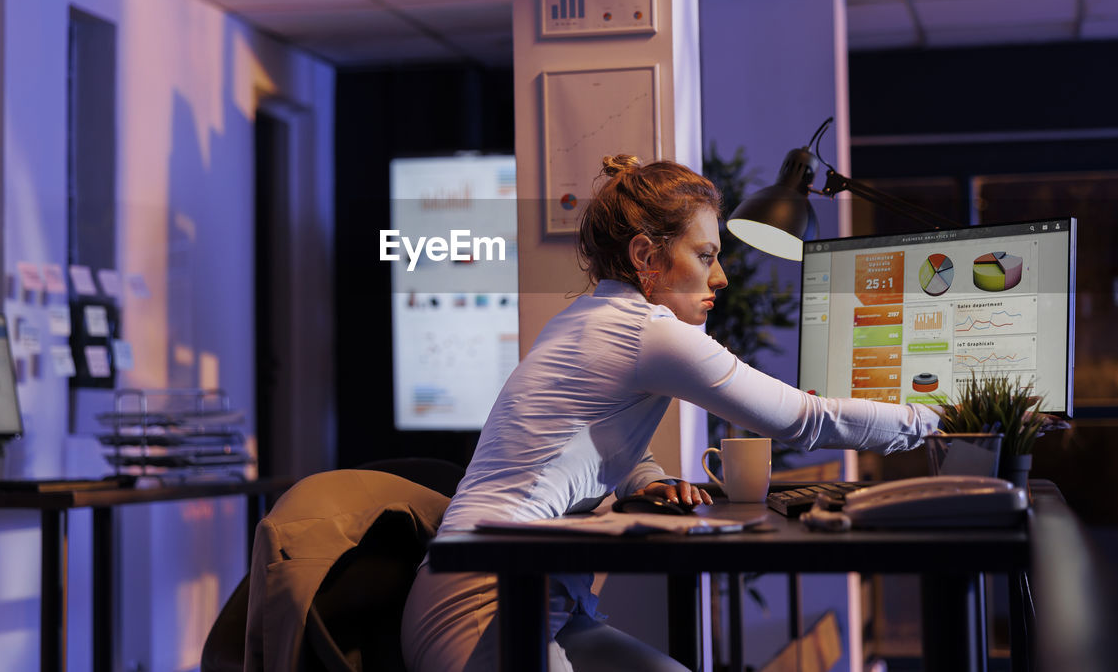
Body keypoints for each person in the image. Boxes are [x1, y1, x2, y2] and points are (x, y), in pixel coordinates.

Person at [401, 155, 942, 672]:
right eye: (706, 256)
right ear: (646, 257)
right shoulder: (647, 331)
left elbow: (582, 435)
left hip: (535, 597)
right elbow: (805, 420)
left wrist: (649, 478)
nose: (722, 277)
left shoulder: (589, 318)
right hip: (481, 602)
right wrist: (938, 420)